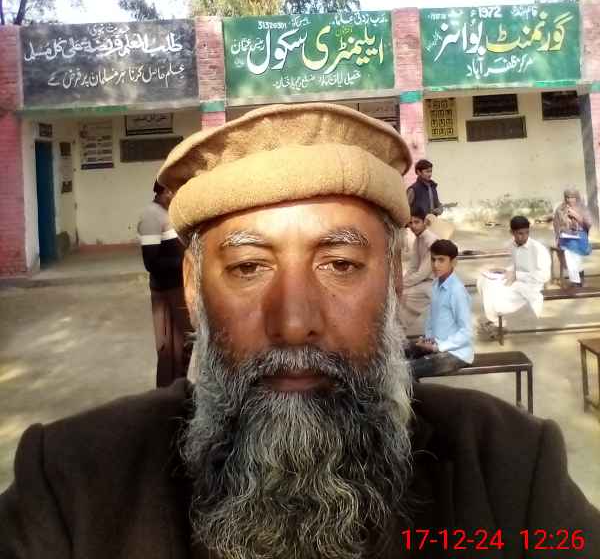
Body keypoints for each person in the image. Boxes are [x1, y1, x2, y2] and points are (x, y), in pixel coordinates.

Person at [1, 102, 598, 558]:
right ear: (193, 289)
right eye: (248, 267)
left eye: (339, 265)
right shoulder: (74, 487)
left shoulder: (506, 470)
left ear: (393, 280)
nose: (292, 323)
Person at [137, 180, 192, 386]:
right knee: (168, 346)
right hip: (167, 290)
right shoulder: (151, 215)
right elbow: (151, 262)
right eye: (174, 192)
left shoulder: (167, 212)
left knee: (183, 343)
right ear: (165, 191)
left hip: (179, 287)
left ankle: (182, 388)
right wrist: (186, 261)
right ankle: (168, 392)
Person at [405, 239, 473, 380]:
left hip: (456, 353)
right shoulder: (436, 284)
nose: (435, 265)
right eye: (433, 259)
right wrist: (428, 340)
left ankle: (410, 393)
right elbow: (432, 318)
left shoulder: (457, 291)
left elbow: (466, 332)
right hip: (437, 344)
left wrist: (439, 347)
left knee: (404, 371)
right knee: (399, 352)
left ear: (453, 262)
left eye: (441, 260)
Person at [477, 215, 552, 337]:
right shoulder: (513, 245)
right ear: (512, 232)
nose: (524, 237)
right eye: (520, 233)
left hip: (531, 285)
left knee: (496, 292)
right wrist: (503, 270)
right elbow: (517, 265)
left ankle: (498, 324)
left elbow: (544, 276)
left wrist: (517, 275)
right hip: (515, 279)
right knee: (484, 281)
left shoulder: (538, 249)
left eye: (526, 233)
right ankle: (496, 321)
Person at [398, 206, 436, 330]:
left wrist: (401, 286)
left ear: (424, 222)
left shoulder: (431, 241)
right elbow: (413, 267)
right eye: (410, 223)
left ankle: (398, 331)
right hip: (422, 280)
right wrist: (401, 283)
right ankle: (396, 331)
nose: (413, 226)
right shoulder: (418, 240)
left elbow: (422, 274)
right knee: (398, 294)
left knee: (404, 296)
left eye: (417, 222)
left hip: (432, 283)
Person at [553, 187, 593, 287]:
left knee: (572, 252)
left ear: (577, 197)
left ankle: (577, 276)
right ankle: (577, 278)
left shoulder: (583, 208)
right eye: (567, 197)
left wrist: (576, 216)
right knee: (569, 253)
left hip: (580, 236)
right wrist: (558, 236)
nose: (569, 200)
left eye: (572, 197)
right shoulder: (560, 209)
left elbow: (588, 224)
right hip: (565, 238)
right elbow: (556, 224)